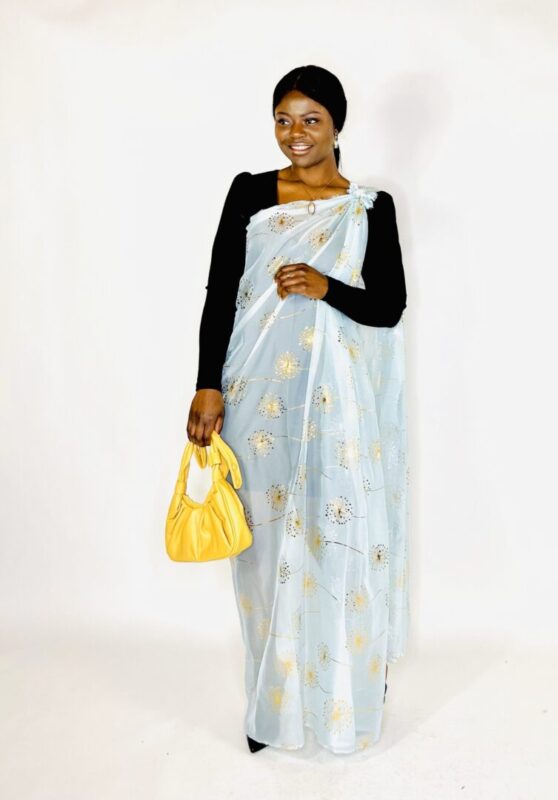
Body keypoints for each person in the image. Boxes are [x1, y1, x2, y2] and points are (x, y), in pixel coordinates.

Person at [187, 65, 409, 755]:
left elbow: (388, 305)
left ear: (338, 125)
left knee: (334, 533)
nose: (295, 134)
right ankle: (272, 697)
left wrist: (326, 285)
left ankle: (347, 685)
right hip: (256, 390)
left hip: (337, 398)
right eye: (283, 119)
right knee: (262, 544)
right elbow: (222, 286)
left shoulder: (369, 206)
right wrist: (206, 383)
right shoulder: (251, 193)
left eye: (310, 119)